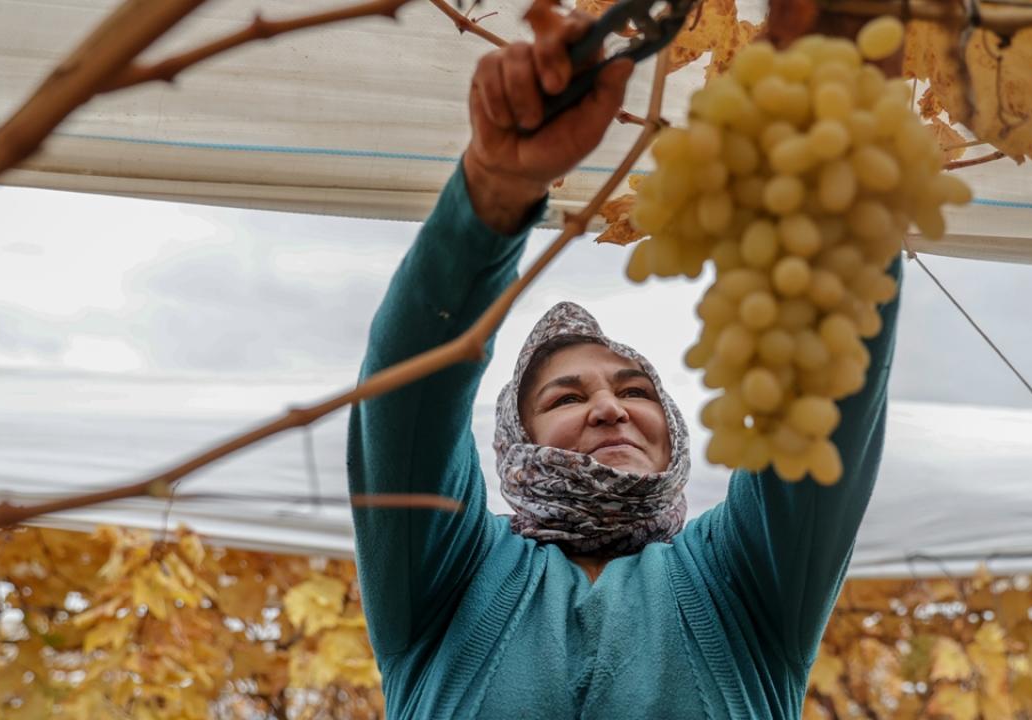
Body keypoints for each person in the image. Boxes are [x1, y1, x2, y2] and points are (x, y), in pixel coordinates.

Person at [348, 12, 901, 719]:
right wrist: (492, 191)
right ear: (516, 446)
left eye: (635, 390)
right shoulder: (448, 578)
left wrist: (841, 159)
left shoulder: (745, 579)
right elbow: (406, 401)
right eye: (564, 398)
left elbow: (828, 395)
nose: (610, 408)